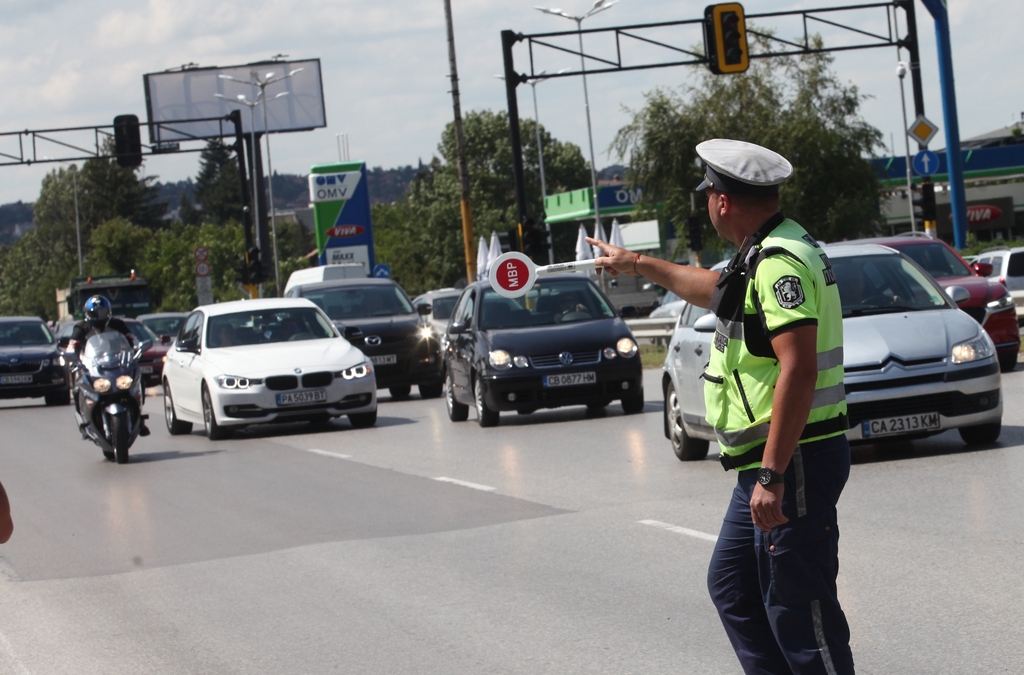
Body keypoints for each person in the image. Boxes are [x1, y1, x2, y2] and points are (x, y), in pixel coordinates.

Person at [589, 139, 853, 675]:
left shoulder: (781, 261)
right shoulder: (760, 251)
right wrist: (637, 263)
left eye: (708, 192)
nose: (707, 203)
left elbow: (798, 369)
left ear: (722, 201)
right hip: (766, 462)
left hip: (792, 460)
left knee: (800, 609)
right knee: (734, 586)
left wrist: (774, 473)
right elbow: (715, 290)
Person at [68, 295, 150, 437]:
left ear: (108, 312)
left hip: (117, 364)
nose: (100, 317)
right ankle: (84, 422)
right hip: (91, 367)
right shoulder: (81, 328)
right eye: (95, 313)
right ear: (88, 314)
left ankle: (139, 418)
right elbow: (71, 346)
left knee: (138, 381)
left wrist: (137, 349)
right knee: (77, 389)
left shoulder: (117, 324)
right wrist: (73, 359)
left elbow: (132, 339)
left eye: (103, 313)